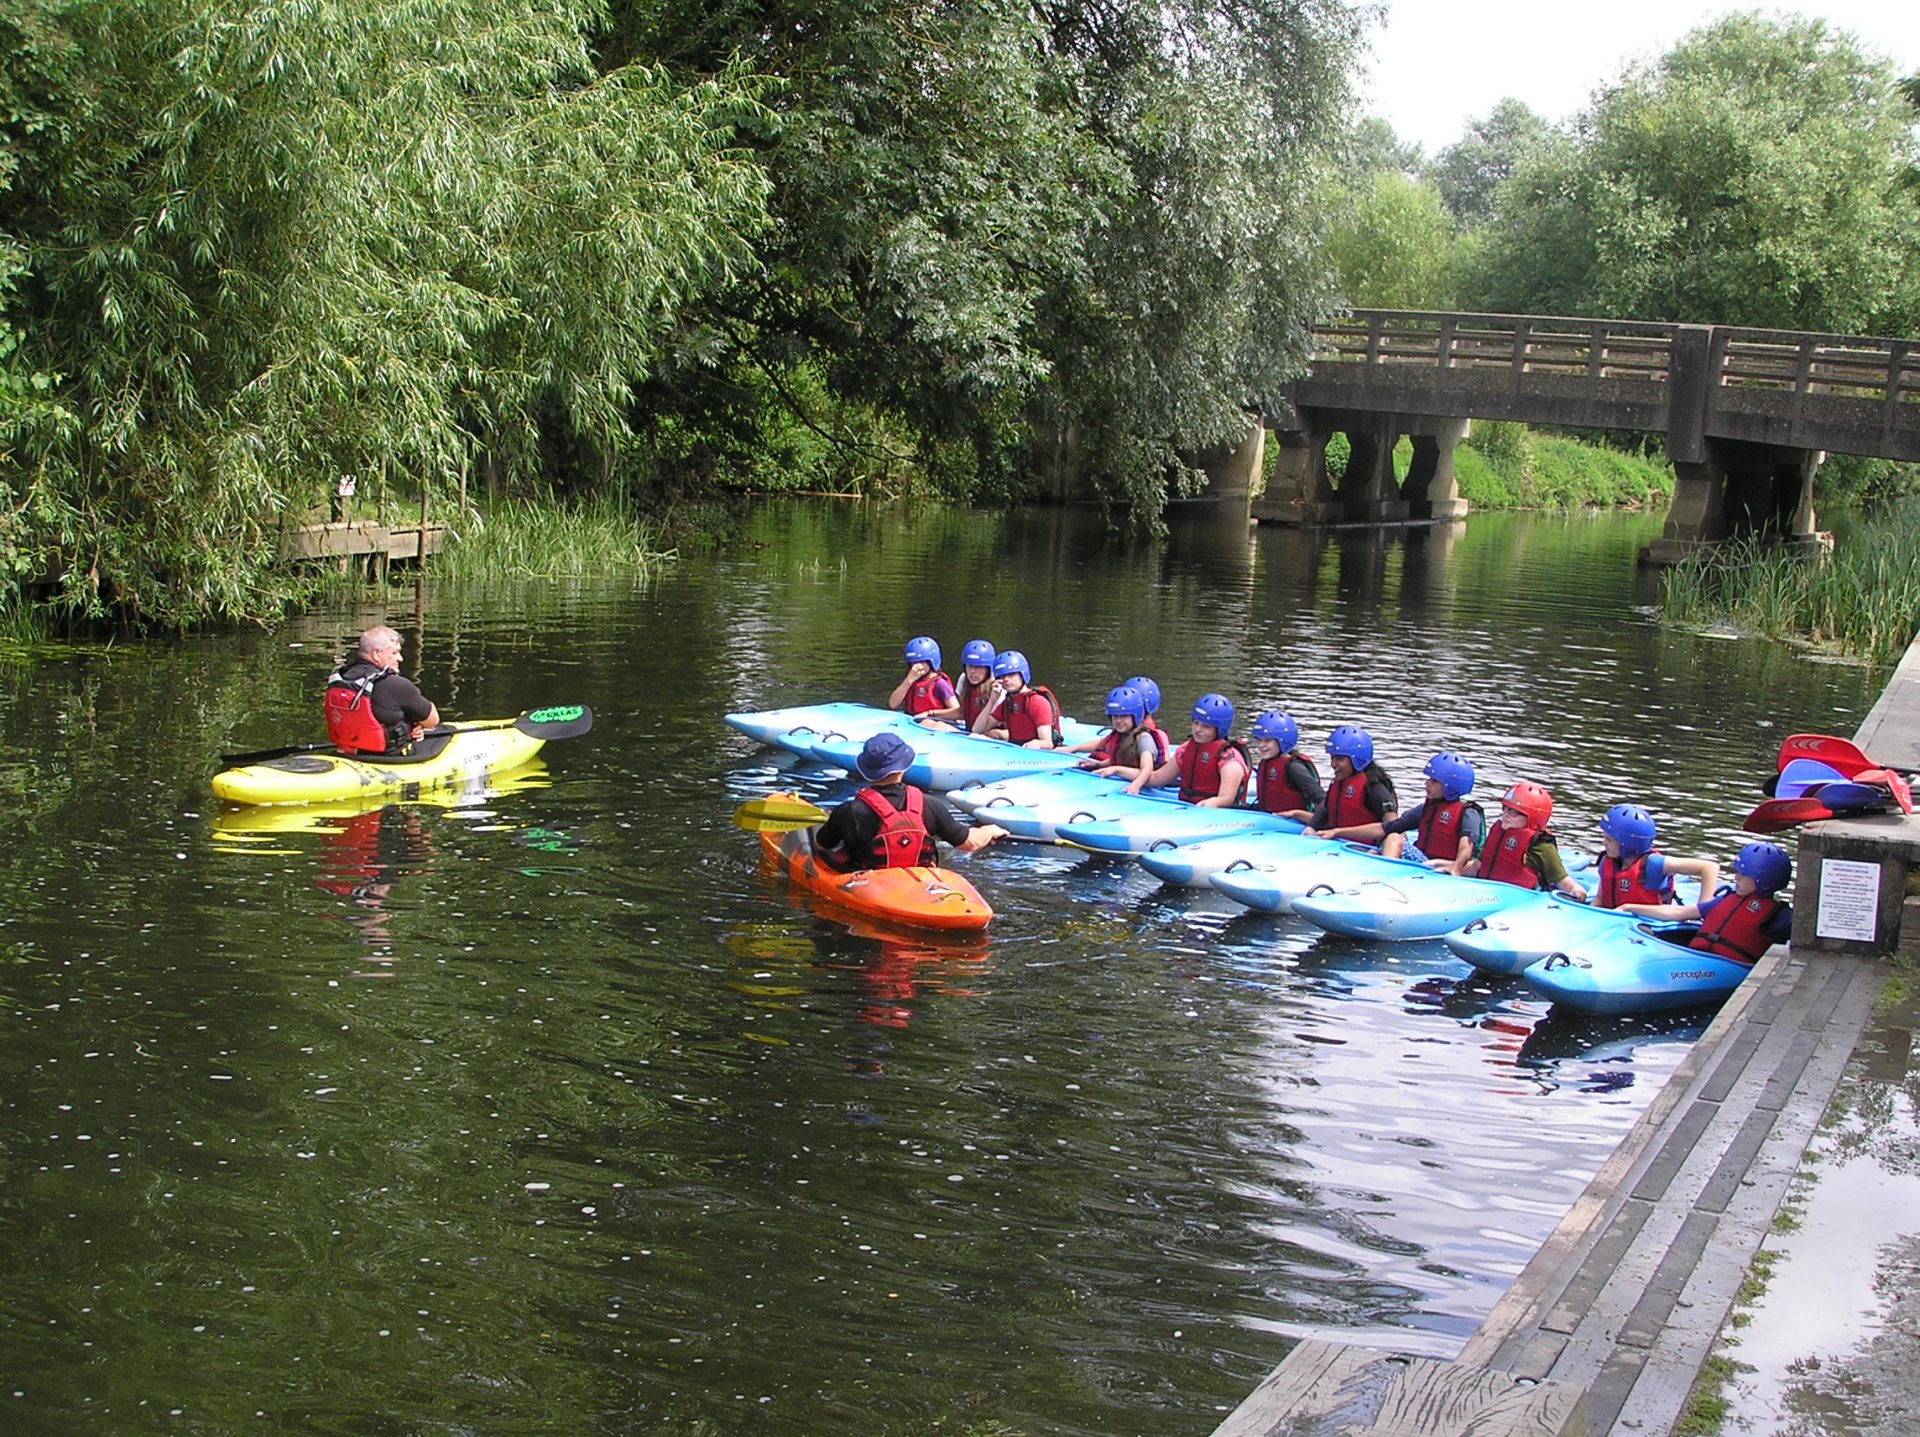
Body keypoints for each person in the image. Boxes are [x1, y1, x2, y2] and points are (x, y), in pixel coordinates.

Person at [811, 733, 1007, 871]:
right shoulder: (929, 805)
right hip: (918, 882)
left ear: (866, 771)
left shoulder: (848, 811)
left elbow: (821, 846)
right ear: (904, 767)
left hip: (868, 884)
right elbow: (969, 843)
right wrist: (989, 830)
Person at [1619, 841, 1794, 965]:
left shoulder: (1778, 917)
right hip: (1697, 957)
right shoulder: (1727, 899)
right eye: (1737, 871)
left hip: (1726, 969)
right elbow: (1679, 913)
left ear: (1765, 881)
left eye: (1743, 874)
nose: (1736, 877)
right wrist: (1630, 907)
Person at [1323, 750, 1482, 868]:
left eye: (1434, 781)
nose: (1427, 784)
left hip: (1444, 866)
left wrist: (1455, 867)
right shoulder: (1426, 809)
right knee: (1390, 836)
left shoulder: (1468, 813)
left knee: (1393, 838)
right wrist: (1338, 832)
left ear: (1450, 787)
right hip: (1423, 862)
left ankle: (1383, 875)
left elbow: (1466, 847)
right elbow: (1384, 828)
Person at [324, 625, 441, 755]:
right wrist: (419, 725)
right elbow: (433, 720)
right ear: (376, 654)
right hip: (388, 758)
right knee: (440, 739)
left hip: (348, 753)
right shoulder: (395, 684)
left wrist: (415, 726)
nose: (400, 658)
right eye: (394, 653)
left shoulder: (340, 678)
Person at [1130, 693, 1250, 808]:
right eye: (1196, 723)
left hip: (1216, 814)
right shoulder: (1185, 750)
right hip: (1187, 808)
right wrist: (1118, 771)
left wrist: (1215, 802)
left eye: (1206, 726)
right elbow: (1156, 778)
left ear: (1220, 729)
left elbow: (1226, 798)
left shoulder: (1229, 760)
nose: (1198, 729)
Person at [1592, 803, 1721, 910]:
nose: (1604, 843)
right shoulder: (1608, 861)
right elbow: (1600, 899)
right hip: (1612, 921)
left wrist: (1703, 908)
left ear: (1628, 843)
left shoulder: (1653, 864)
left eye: (1609, 839)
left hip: (1646, 926)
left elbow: (1709, 867)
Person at [1473, 781, 1587, 899]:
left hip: (1520, 899)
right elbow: (1479, 866)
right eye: (1505, 809)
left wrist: (1575, 890)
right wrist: (1455, 868)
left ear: (1532, 818)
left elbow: (1561, 880)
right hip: (1487, 892)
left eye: (1513, 812)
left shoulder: (1541, 846)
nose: (1506, 814)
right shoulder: (1498, 833)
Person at [1304, 725, 1399, 839]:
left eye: (1339, 759)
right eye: (1332, 758)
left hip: (1364, 849)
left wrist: (1380, 849)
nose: (1333, 764)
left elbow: (1394, 827)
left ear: (1357, 760)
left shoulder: (1374, 788)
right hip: (1337, 845)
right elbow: (1326, 809)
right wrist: (1311, 827)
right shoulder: (1337, 784)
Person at [1067, 684, 1169, 783]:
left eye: (1124, 716)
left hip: (1143, 780)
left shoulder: (1143, 738)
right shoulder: (1119, 736)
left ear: (1135, 716)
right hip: (1125, 777)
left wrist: (1135, 786)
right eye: (1115, 716)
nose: (1118, 721)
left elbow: (1147, 770)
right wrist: (1097, 765)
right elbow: (1119, 760)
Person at [971, 650, 1059, 748]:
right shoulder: (1008, 702)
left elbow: (1048, 743)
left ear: (1023, 675)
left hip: (1035, 753)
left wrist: (1037, 743)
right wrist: (992, 701)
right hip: (1016, 748)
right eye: (1003, 676)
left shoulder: (1038, 702)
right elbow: (977, 729)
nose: (1006, 679)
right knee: (975, 736)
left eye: (1011, 675)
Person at [1245, 711, 1323, 821]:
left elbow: (1322, 799)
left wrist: (1299, 815)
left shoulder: (1294, 767)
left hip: (1290, 823)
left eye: (1268, 740)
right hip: (1267, 816)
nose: (1261, 745)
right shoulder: (1267, 763)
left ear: (1284, 742)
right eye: (1259, 740)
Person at [888, 636, 960, 723]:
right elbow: (893, 704)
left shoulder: (939, 684)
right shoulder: (910, 681)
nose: (917, 667)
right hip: (912, 722)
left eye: (922, 662)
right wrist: (908, 681)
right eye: (914, 663)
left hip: (933, 724)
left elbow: (956, 711)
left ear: (931, 662)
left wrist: (931, 714)